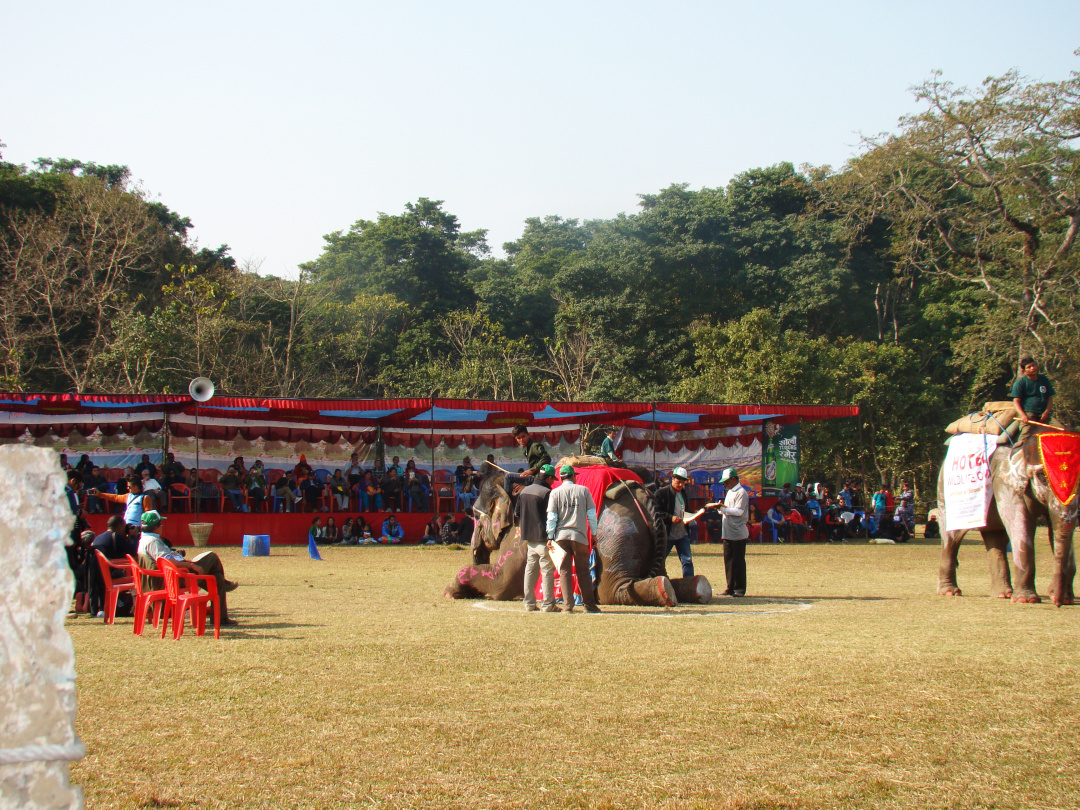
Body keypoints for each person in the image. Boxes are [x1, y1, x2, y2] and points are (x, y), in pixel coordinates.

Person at [137, 511, 238, 626]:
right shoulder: (153, 541)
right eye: (161, 524)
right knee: (212, 557)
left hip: (168, 577)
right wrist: (190, 565)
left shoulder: (143, 540)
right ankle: (224, 591)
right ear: (155, 527)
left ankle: (221, 617)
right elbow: (167, 562)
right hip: (174, 578)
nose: (162, 527)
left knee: (217, 579)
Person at [546, 465, 600, 613]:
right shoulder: (584, 491)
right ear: (573, 476)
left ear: (561, 478)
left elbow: (552, 517)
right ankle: (589, 605)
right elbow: (591, 515)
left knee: (564, 571)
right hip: (579, 536)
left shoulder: (555, 493)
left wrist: (550, 536)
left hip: (561, 537)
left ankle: (568, 606)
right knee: (583, 571)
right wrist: (594, 534)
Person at [517, 465, 557, 612]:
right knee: (547, 571)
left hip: (529, 538)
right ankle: (548, 604)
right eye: (553, 479)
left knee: (530, 570)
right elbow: (551, 517)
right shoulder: (547, 493)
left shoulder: (524, 491)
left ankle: (529, 603)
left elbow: (517, 513)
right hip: (543, 538)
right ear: (549, 478)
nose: (553, 482)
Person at [88, 516, 136, 617]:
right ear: (120, 526)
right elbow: (133, 550)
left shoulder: (98, 538)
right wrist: (133, 537)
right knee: (138, 578)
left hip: (100, 576)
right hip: (113, 575)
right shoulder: (116, 536)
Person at [713, 467, 749, 597]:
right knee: (728, 562)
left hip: (738, 532)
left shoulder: (741, 493)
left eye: (726, 482)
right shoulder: (729, 492)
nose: (725, 484)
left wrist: (723, 509)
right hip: (727, 532)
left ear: (734, 479)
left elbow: (739, 511)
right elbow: (727, 509)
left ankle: (739, 588)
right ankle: (730, 587)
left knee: (738, 561)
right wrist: (720, 508)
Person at [655, 466, 695, 578]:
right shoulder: (661, 493)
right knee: (660, 560)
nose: (681, 485)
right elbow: (656, 512)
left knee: (687, 561)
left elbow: (686, 510)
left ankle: (688, 583)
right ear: (672, 479)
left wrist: (692, 515)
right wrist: (670, 517)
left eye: (683, 483)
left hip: (682, 533)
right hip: (667, 533)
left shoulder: (684, 493)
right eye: (678, 482)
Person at [1011, 357, 1061, 442]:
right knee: (1026, 435)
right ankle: (1018, 449)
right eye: (1029, 367)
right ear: (1023, 371)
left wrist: (1046, 412)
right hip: (1028, 414)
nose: (1033, 368)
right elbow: (1016, 401)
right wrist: (1023, 415)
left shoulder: (1043, 379)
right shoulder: (1020, 383)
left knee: (1061, 430)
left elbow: (1050, 397)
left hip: (1044, 414)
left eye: (1034, 365)